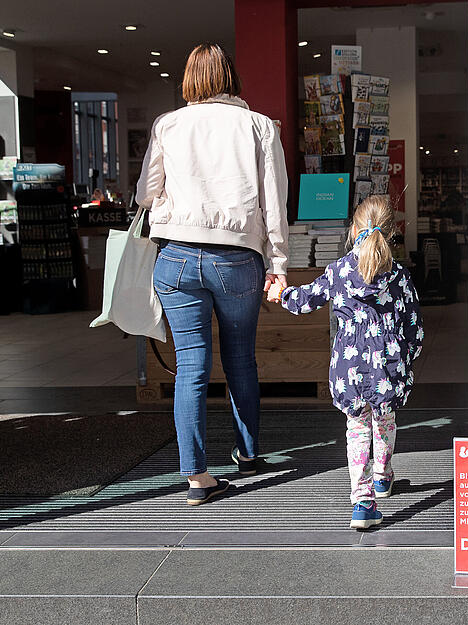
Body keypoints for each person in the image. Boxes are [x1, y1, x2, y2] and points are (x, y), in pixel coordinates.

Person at [136, 43, 288, 506]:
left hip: (177, 257)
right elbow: (273, 201)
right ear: (230, 77)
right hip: (237, 259)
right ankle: (247, 452)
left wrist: (175, 210)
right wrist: (278, 263)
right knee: (240, 358)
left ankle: (196, 476)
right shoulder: (259, 126)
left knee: (191, 368)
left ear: (189, 80)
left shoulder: (168, 124)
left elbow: (145, 194)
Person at [266, 196, 423, 529]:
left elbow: (305, 300)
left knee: (357, 429)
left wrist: (282, 293)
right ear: (393, 232)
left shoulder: (338, 271)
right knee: (384, 419)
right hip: (387, 365)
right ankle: (382, 476)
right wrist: (405, 359)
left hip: (347, 368)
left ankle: (363, 503)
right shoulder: (400, 278)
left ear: (353, 230)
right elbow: (415, 331)